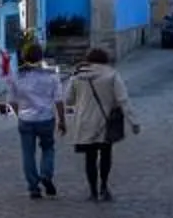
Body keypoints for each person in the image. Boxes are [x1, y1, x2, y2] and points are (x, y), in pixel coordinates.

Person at [63, 46, 135, 202]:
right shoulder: (112, 75)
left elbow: (68, 100)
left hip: (85, 122)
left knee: (90, 157)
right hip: (105, 122)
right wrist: (133, 121)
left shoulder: (77, 77)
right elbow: (123, 99)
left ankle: (93, 191)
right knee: (106, 154)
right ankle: (104, 186)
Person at [8, 45, 63, 199]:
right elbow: (58, 100)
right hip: (46, 118)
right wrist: (62, 120)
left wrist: (20, 114)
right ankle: (46, 174)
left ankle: (33, 187)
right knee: (48, 149)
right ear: (41, 57)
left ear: (24, 57)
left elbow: (11, 101)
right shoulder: (51, 75)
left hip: (25, 119)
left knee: (28, 154)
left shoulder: (17, 75)